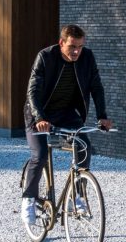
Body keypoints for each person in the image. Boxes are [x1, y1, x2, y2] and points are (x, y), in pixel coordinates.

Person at [21, 24, 113, 231]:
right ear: (61, 43)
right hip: (38, 113)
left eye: (80, 47)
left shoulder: (87, 58)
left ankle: (77, 196)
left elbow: (96, 87)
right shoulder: (45, 57)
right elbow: (33, 91)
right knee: (41, 154)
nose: (76, 52)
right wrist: (39, 118)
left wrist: (102, 116)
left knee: (83, 146)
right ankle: (28, 199)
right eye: (72, 46)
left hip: (67, 112)